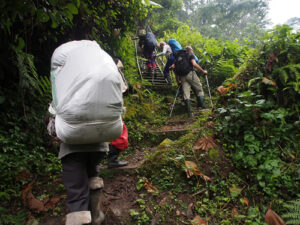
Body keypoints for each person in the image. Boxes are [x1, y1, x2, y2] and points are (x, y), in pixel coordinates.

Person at [49, 41, 123, 225]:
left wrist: (53, 129)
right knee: (92, 174)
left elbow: (53, 124)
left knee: (77, 189)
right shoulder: (98, 81)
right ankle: (96, 215)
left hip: (72, 148)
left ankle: (81, 218)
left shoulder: (66, 91)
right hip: (99, 144)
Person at [173, 46, 208, 117]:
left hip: (182, 77)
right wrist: (203, 71)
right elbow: (194, 64)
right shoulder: (190, 55)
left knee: (186, 94)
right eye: (192, 50)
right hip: (190, 74)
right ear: (190, 50)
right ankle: (203, 108)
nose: (193, 51)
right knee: (199, 89)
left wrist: (178, 81)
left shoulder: (177, 59)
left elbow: (175, 70)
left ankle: (190, 113)